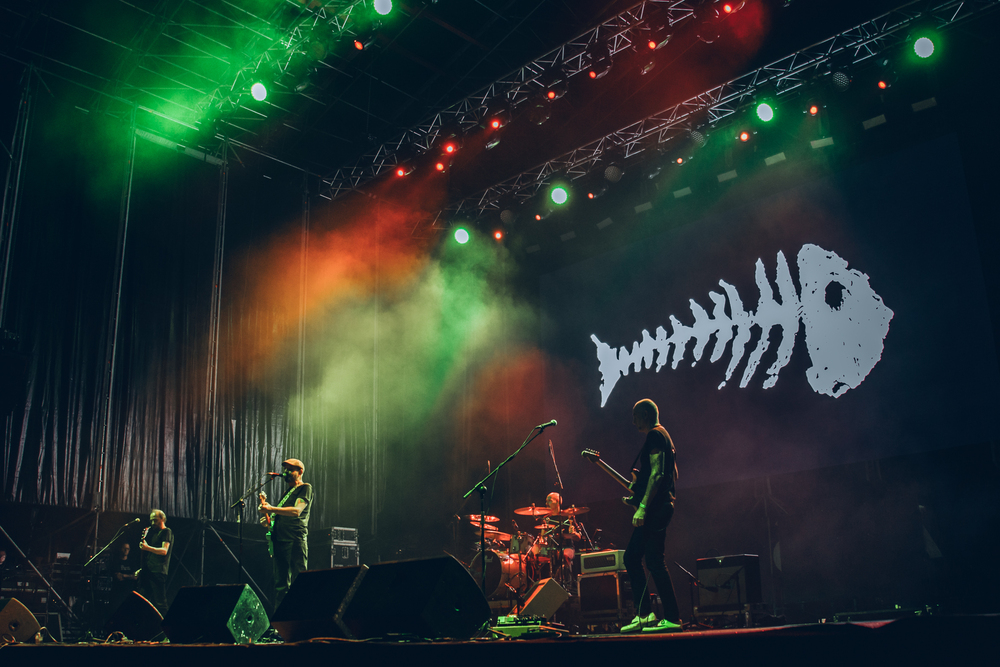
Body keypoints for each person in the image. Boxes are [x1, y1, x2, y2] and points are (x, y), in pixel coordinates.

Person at [621, 398, 682, 633]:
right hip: (662, 506)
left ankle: (669, 618)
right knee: (638, 558)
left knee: (647, 559)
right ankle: (646, 614)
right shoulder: (665, 435)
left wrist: (644, 506)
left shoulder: (655, 436)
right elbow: (672, 473)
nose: (633, 421)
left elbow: (658, 474)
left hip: (656, 509)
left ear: (645, 414)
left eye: (635, 416)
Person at [259, 458, 312, 610]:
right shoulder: (287, 493)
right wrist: (268, 519)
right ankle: (279, 625)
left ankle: (299, 620)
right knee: (280, 586)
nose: (286, 472)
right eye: (285, 469)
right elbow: (276, 519)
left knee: (299, 582)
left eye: (290, 469)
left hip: (294, 540)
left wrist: (271, 509)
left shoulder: (305, 488)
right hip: (280, 541)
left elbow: (296, 511)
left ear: (300, 472)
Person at [137, 509, 172, 615]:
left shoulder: (167, 532)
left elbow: (164, 551)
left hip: (158, 572)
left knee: (160, 603)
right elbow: (151, 554)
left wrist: (147, 548)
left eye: (155, 520)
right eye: (151, 520)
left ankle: (168, 628)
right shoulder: (155, 534)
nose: (153, 523)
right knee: (143, 601)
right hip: (149, 571)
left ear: (163, 519)